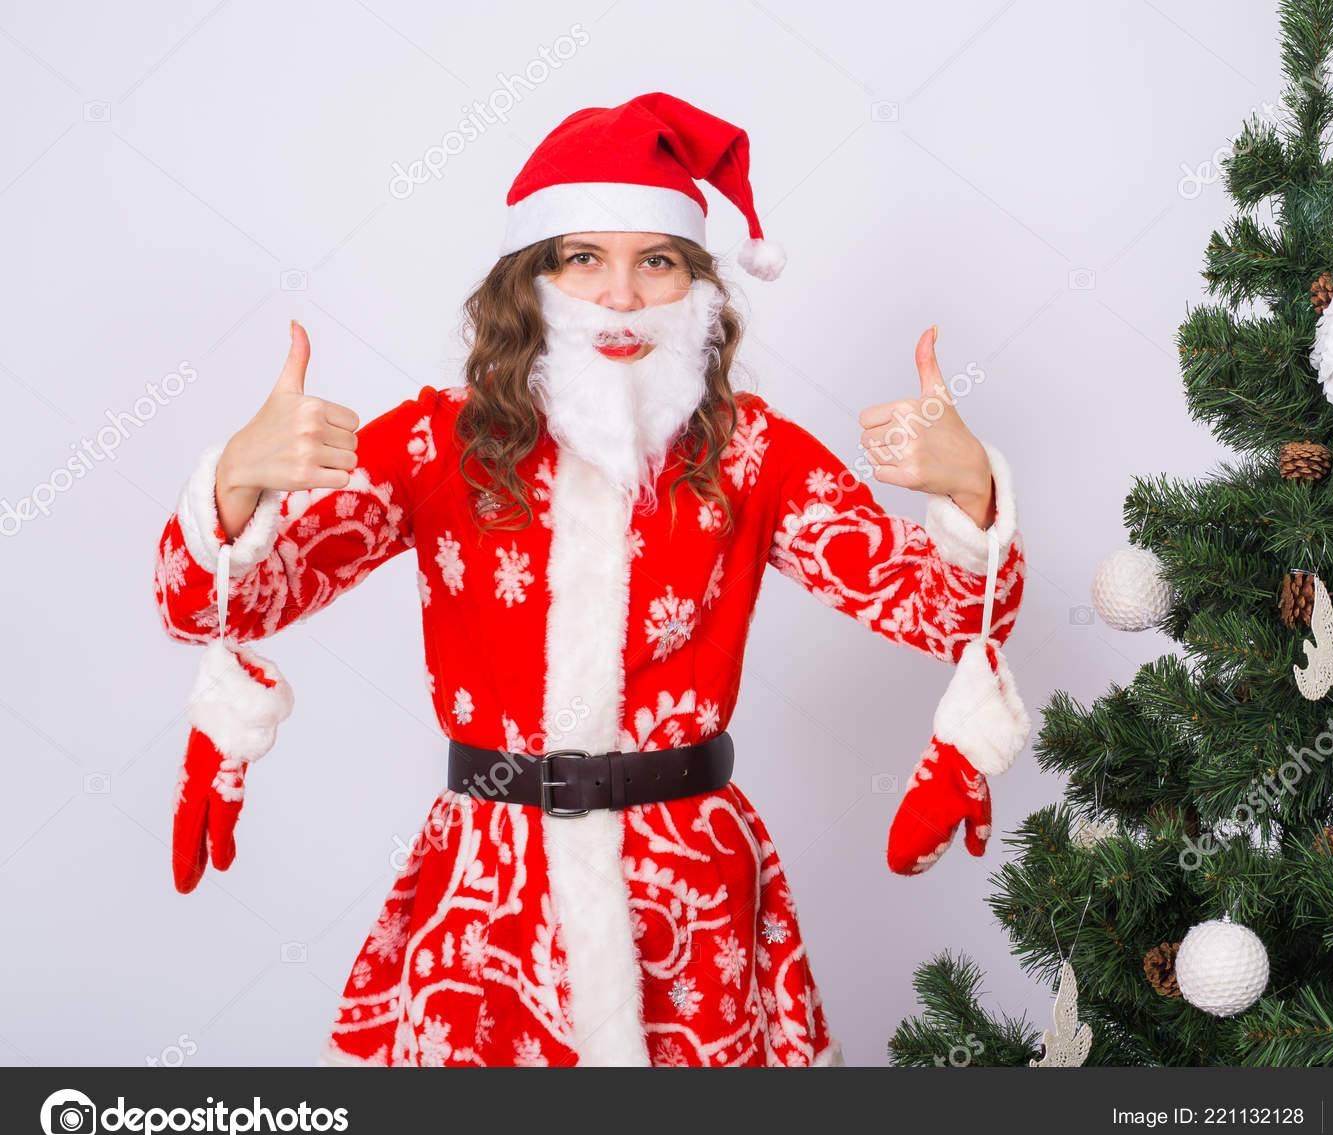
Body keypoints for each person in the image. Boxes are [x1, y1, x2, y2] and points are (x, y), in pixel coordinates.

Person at [152, 92, 1025, 1067]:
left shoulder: (749, 452)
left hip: (689, 898)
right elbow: (206, 606)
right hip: (488, 902)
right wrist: (234, 479)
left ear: (694, 284)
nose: (618, 296)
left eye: (654, 261)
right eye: (583, 259)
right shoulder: (438, 445)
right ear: (531, 281)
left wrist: (971, 493)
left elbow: (949, 613)